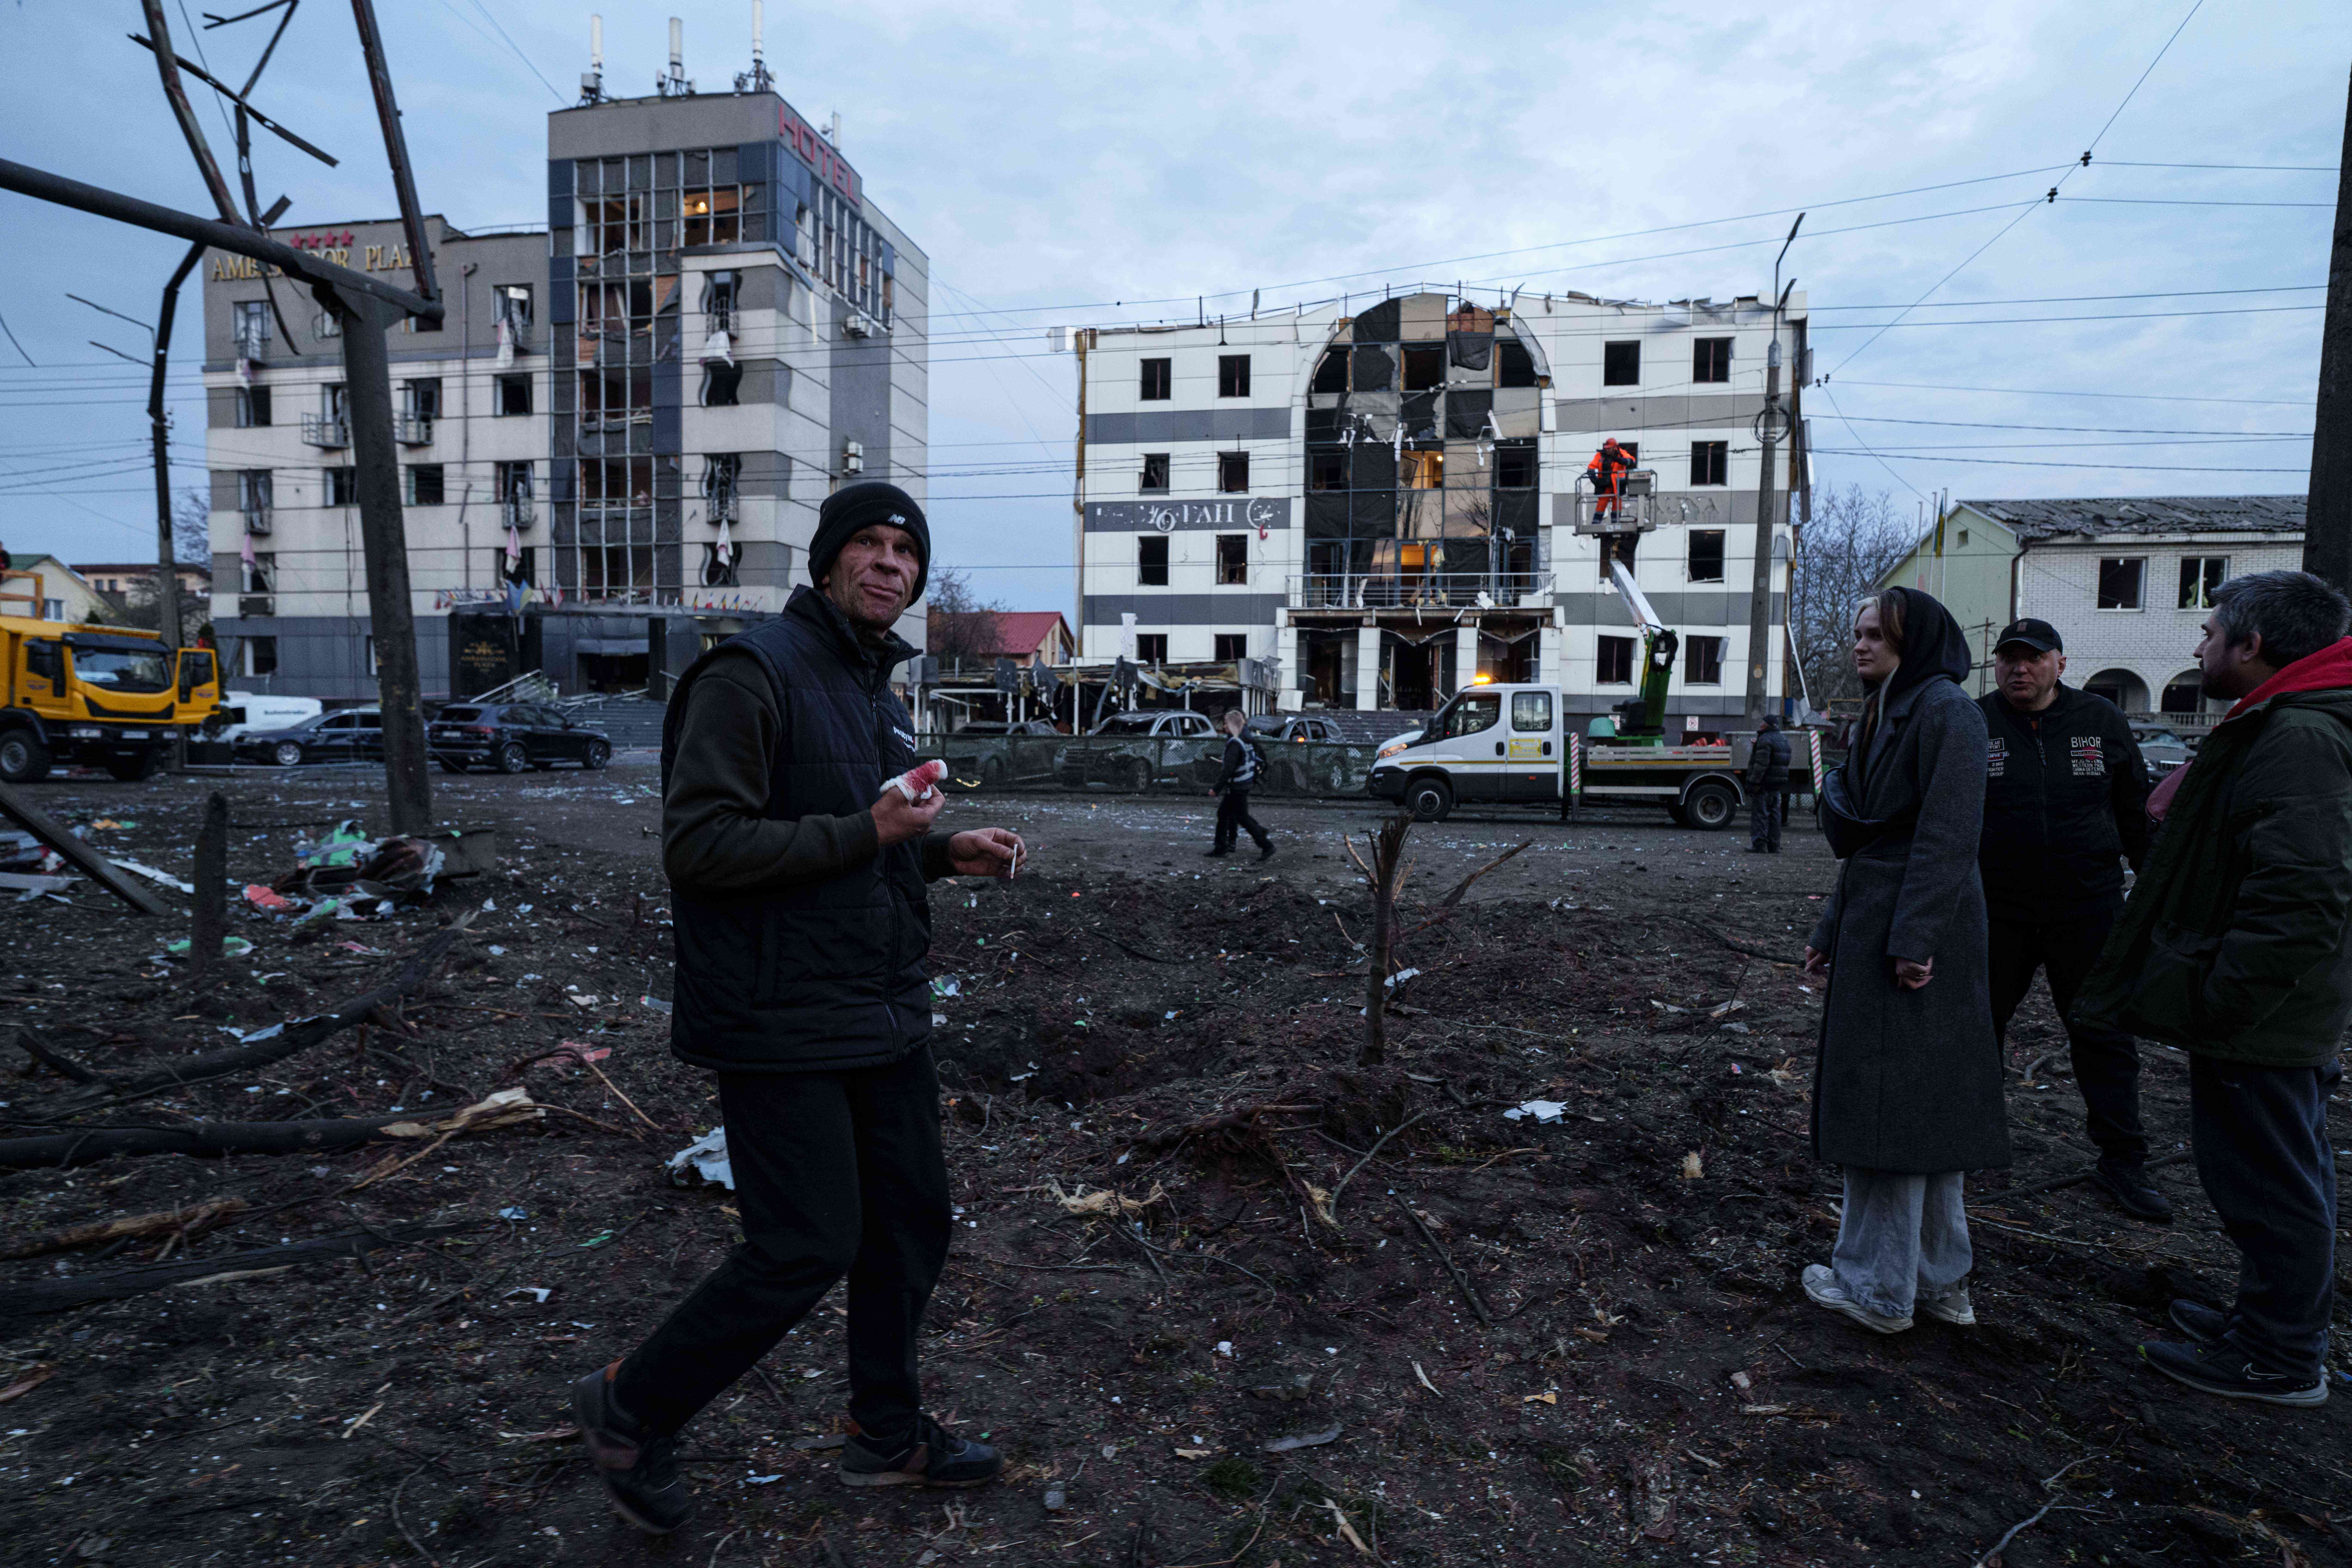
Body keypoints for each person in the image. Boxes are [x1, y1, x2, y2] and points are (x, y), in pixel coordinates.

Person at [572, 482, 1027, 1533]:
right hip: (779, 1013)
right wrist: (873, 831)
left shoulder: (875, 686)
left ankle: (886, 1433)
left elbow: (864, 837)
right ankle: (630, 1408)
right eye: (866, 545)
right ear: (826, 562)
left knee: (910, 1222)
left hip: (876, 1005)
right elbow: (702, 848)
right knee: (805, 1242)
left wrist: (943, 851)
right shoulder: (751, 673)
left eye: (905, 550)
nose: (889, 565)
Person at [2076, 570, 2352, 1408]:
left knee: (2268, 1183)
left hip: (2263, 1015)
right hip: (2271, 1009)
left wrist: (2227, 1001)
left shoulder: (2299, 736)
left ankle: (2278, 1358)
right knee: (2281, 1171)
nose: (2199, 648)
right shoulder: (2289, 722)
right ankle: (2266, 1327)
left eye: (2210, 632)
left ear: (2252, 644)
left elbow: (2303, 893)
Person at [1801, 587, 2006, 1333]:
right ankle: (1934, 1279)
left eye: (1876, 636)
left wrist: (1915, 941)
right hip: (1883, 924)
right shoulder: (1890, 706)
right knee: (1910, 1108)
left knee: (1895, 1109)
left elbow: (1949, 837)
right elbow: (1865, 844)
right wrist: (1832, 928)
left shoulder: (1948, 711)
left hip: (1919, 933)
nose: (1861, 647)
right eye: (1857, 635)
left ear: (1913, 642)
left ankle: (1880, 1288)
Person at [1974, 619, 2163, 1220]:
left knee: (2103, 1035)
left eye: (2032, 659)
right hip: (1997, 912)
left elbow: (2135, 809)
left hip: (2087, 910)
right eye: (2009, 659)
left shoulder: (2101, 722)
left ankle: (2123, 1161)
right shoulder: (1975, 722)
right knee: (1977, 1030)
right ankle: (1966, 1145)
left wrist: (2154, 895)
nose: (2019, 670)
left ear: (2060, 663)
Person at [1208, 708, 1274, 861]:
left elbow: (1228, 769)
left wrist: (1216, 789)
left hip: (1236, 787)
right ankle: (1222, 847)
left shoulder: (1235, 744)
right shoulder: (1247, 740)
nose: (1224, 727)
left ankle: (1266, 845)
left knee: (1241, 818)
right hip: (1243, 785)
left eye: (1226, 724)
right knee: (1228, 815)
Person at [1747, 713, 1792, 853]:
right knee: (1774, 815)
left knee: (1760, 815)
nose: (1761, 724)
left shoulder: (1765, 739)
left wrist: (1754, 782)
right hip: (1777, 785)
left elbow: (1761, 765)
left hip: (1764, 785)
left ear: (1767, 725)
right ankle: (1774, 845)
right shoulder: (1783, 739)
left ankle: (1760, 845)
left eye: (1763, 722)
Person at [1585, 437, 1636, 525]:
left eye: (1609, 448)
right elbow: (1591, 469)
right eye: (1606, 448)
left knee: (1617, 505)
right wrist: (1597, 482)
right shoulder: (1600, 456)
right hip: (1605, 486)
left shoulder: (1622, 454)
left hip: (1619, 486)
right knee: (1601, 504)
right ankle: (1596, 524)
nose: (1607, 450)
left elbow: (1631, 461)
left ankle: (1616, 524)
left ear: (1615, 447)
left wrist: (1620, 460)